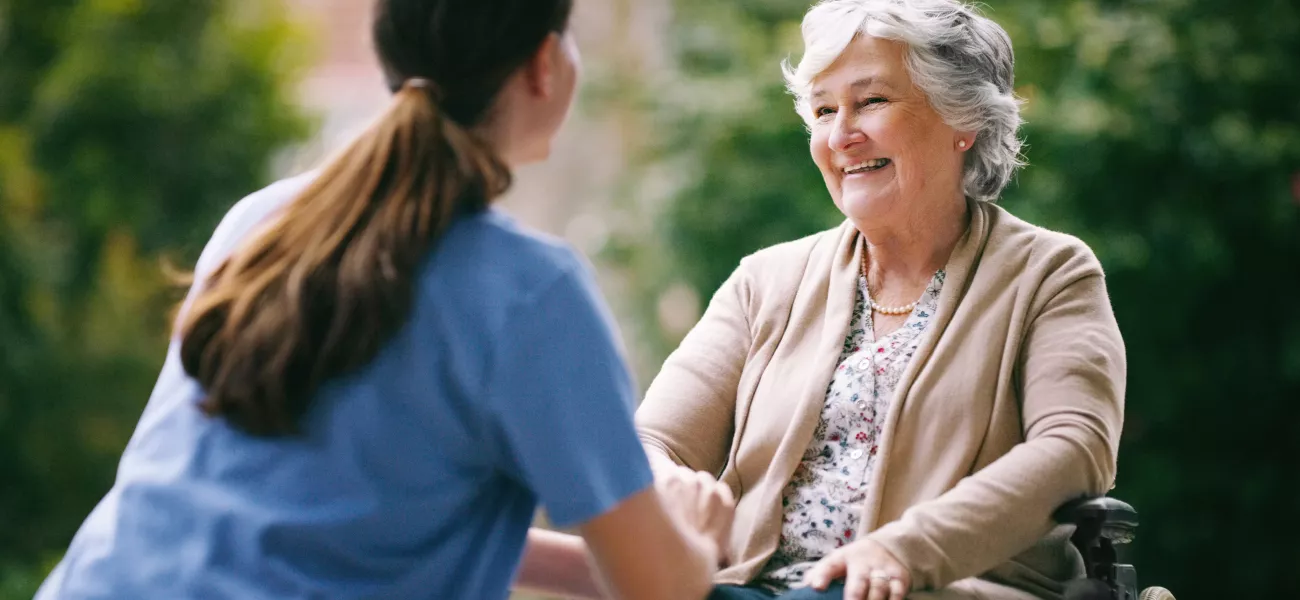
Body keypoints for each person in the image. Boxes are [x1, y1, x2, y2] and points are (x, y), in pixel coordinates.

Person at [34, 0, 733, 598]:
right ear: (544, 64)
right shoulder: (530, 293)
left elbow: (337, 512)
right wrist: (696, 539)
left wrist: (596, 563)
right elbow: (662, 588)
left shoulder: (263, 221)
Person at [635, 0, 1127, 599]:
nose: (841, 135)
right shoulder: (764, 281)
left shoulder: (1049, 274)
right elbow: (653, 442)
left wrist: (907, 548)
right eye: (822, 110)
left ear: (962, 118)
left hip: (940, 588)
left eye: (871, 101)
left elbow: (1074, 451)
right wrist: (670, 489)